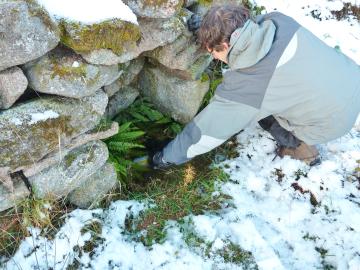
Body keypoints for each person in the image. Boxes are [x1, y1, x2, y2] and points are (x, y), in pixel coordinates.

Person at [150, 4, 360, 169]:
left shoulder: (248, 89)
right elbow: (245, 34)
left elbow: (205, 133)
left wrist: (164, 158)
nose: (212, 56)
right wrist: (206, 28)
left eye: (212, 52)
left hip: (334, 122)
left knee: (265, 116)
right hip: (351, 79)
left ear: (224, 46)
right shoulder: (278, 21)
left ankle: (301, 148)